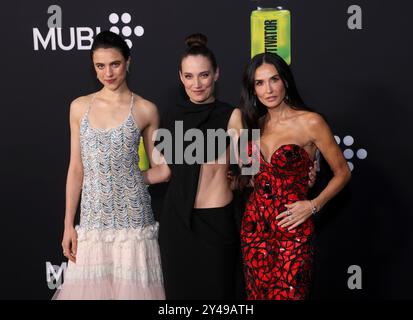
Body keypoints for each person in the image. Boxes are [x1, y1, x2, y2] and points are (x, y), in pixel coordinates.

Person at [53, 31, 170, 300]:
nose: (108, 73)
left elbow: (162, 169)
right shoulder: (79, 107)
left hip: (134, 223)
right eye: (100, 66)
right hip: (93, 221)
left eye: (115, 64)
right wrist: (68, 224)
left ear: (128, 62)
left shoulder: (145, 109)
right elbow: (76, 169)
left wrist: (132, 177)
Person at [238, 52, 351, 300]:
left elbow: (342, 172)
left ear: (285, 81)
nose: (268, 89)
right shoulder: (255, 125)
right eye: (259, 83)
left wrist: (313, 205)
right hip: (255, 229)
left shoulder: (310, 122)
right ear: (252, 89)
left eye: (274, 79)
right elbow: (253, 178)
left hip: (293, 230)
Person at [155, 33, 246, 300]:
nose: (197, 84)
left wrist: (301, 174)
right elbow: (164, 170)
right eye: (190, 76)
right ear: (181, 77)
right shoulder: (171, 115)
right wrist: (126, 175)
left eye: (204, 75)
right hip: (177, 224)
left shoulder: (233, 115)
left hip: (216, 223)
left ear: (217, 74)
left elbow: (251, 170)